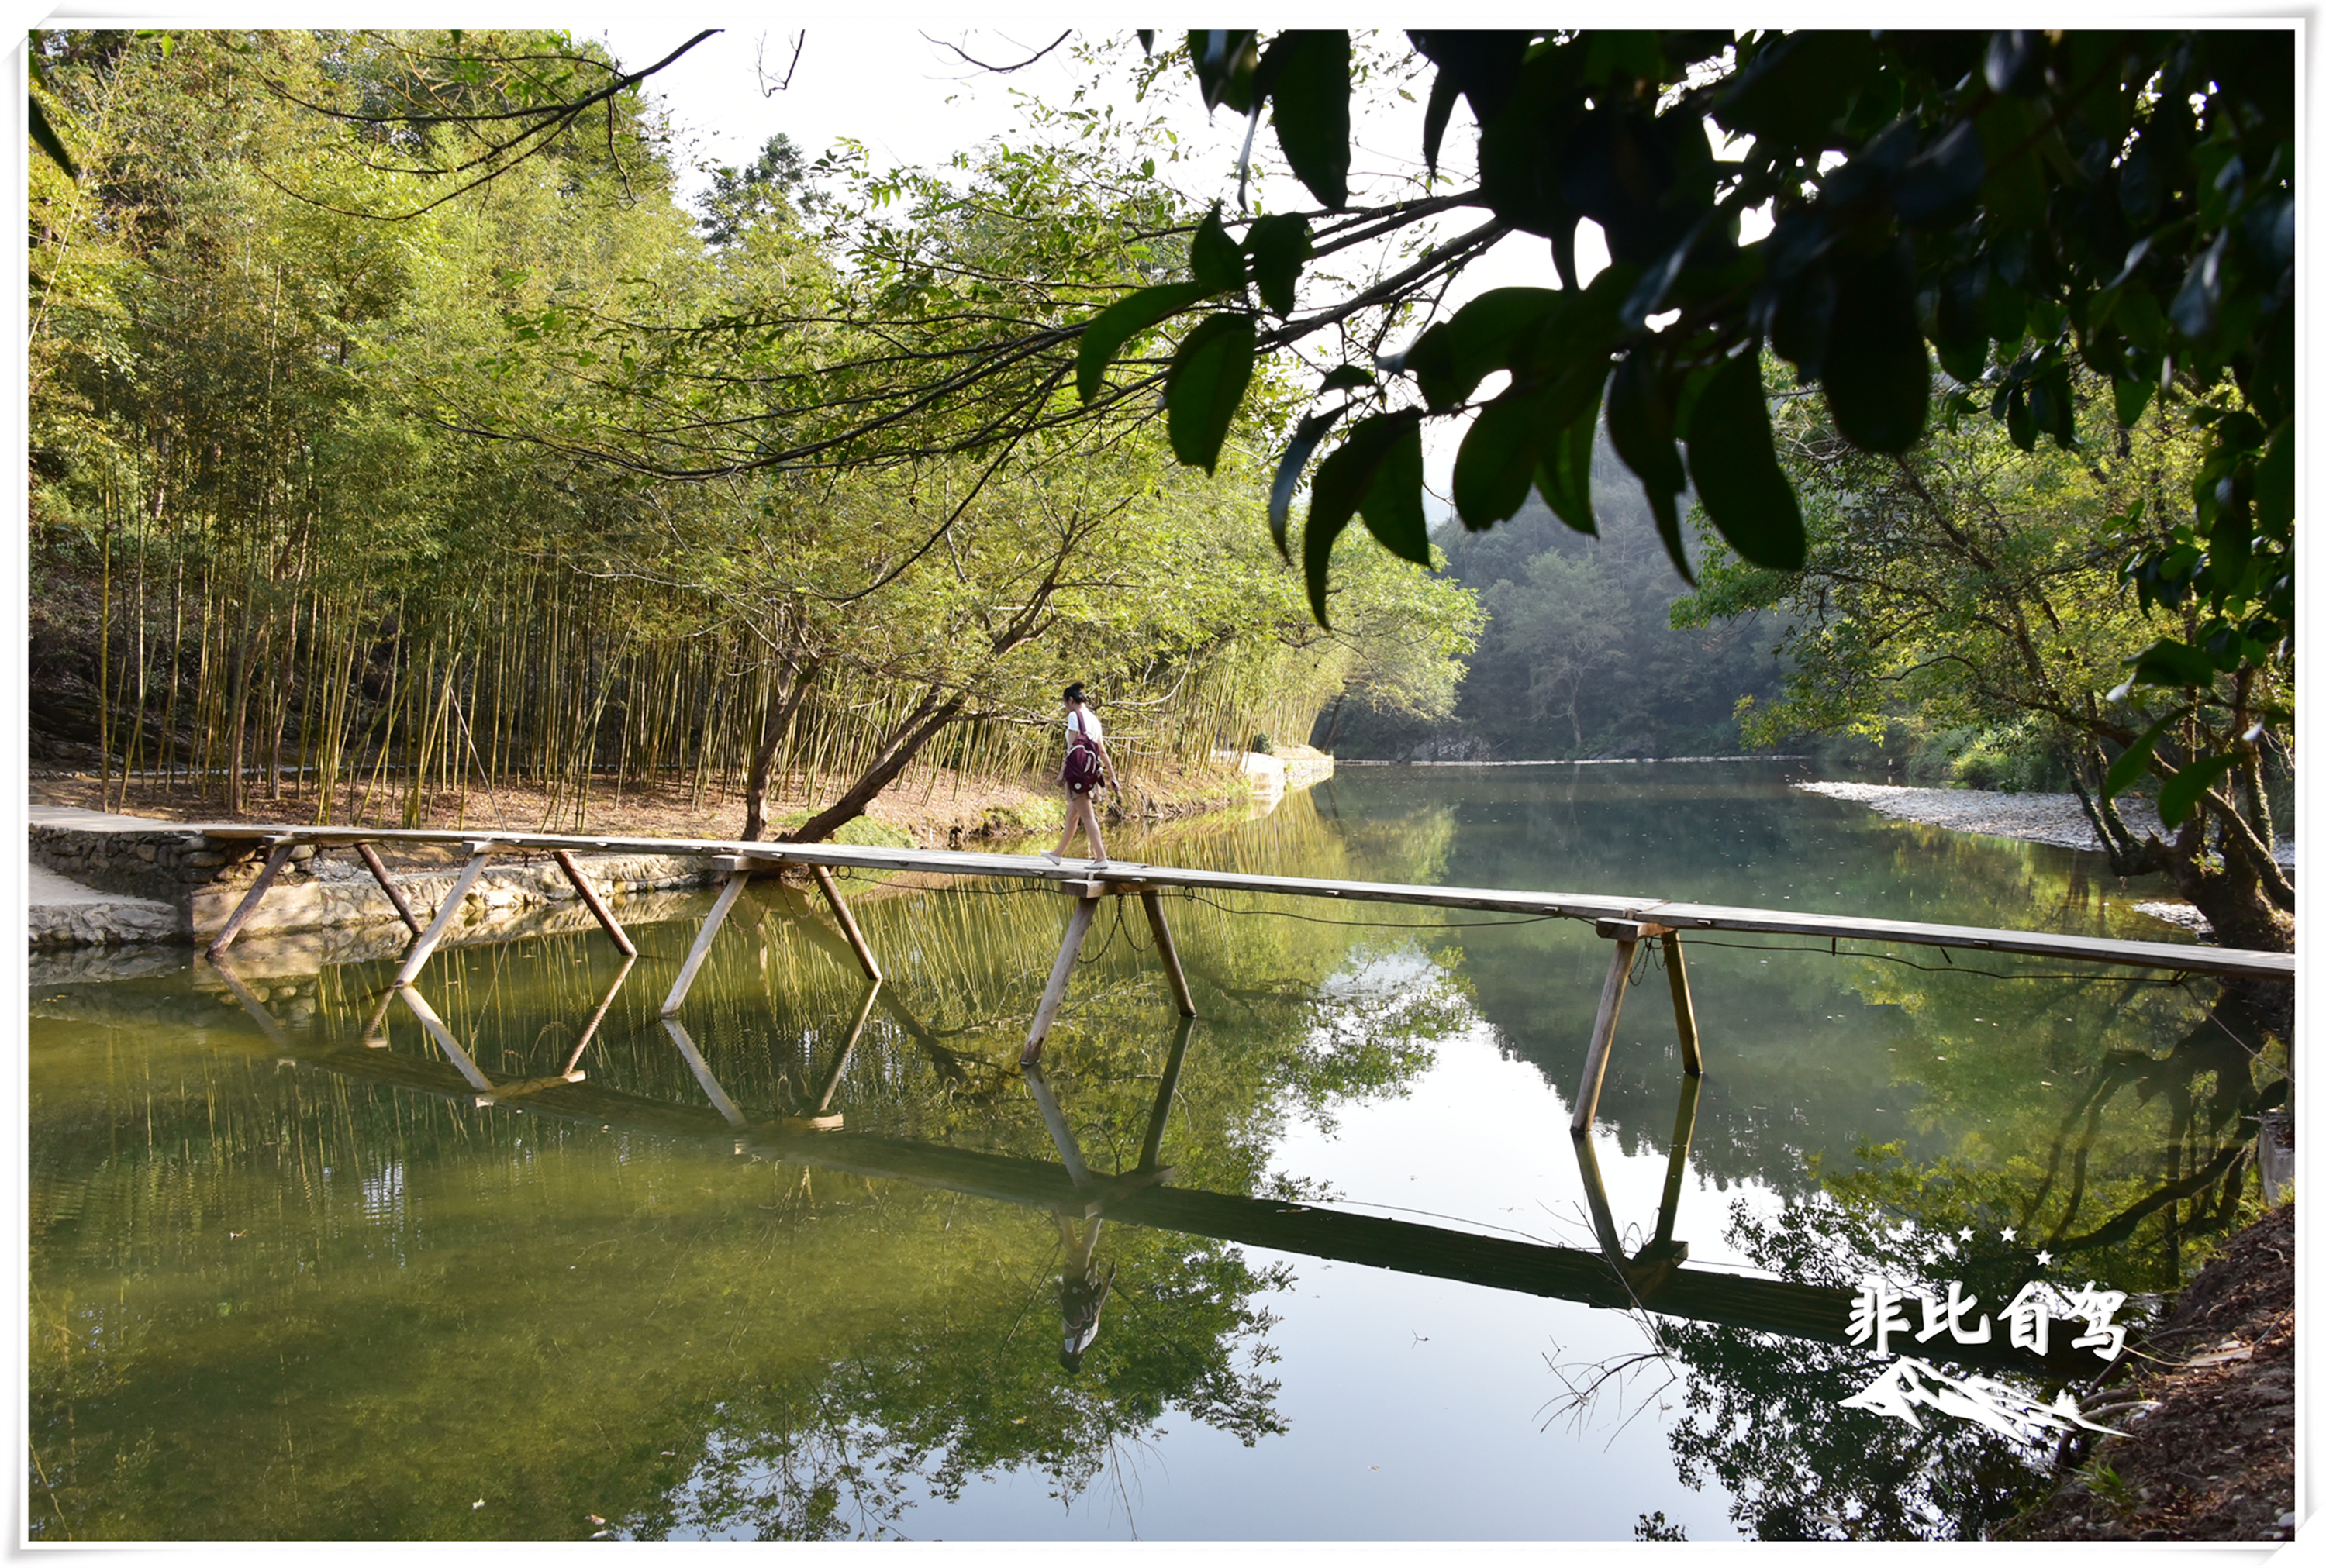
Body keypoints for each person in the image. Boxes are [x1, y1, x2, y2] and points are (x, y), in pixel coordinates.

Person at [1044, 681, 1116, 867]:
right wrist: (1113, 776)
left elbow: (1072, 748)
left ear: (1070, 700)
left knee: (1088, 816)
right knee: (1072, 816)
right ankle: (1057, 854)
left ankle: (1101, 858)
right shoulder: (1094, 719)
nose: (1065, 708)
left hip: (1077, 774)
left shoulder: (1075, 716)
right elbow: (1102, 750)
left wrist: (1061, 773)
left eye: (1065, 704)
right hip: (1091, 773)